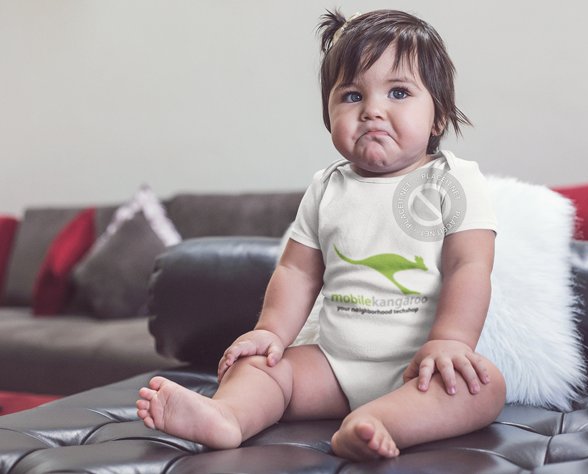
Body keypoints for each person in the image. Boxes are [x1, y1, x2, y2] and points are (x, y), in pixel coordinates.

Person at [137, 9, 506, 461]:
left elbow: (470, 265)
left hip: (418, 367)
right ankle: (227, 416)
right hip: (332, 365)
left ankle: (378, 422)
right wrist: (270, 331)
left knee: (484, 386)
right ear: (329, 115)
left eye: (398, 92)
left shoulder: (452, 180)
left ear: (438, 117)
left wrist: (451, 339)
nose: (372, 110)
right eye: (352, 95)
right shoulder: (328, 186)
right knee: (260, 366)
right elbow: (297, 271)